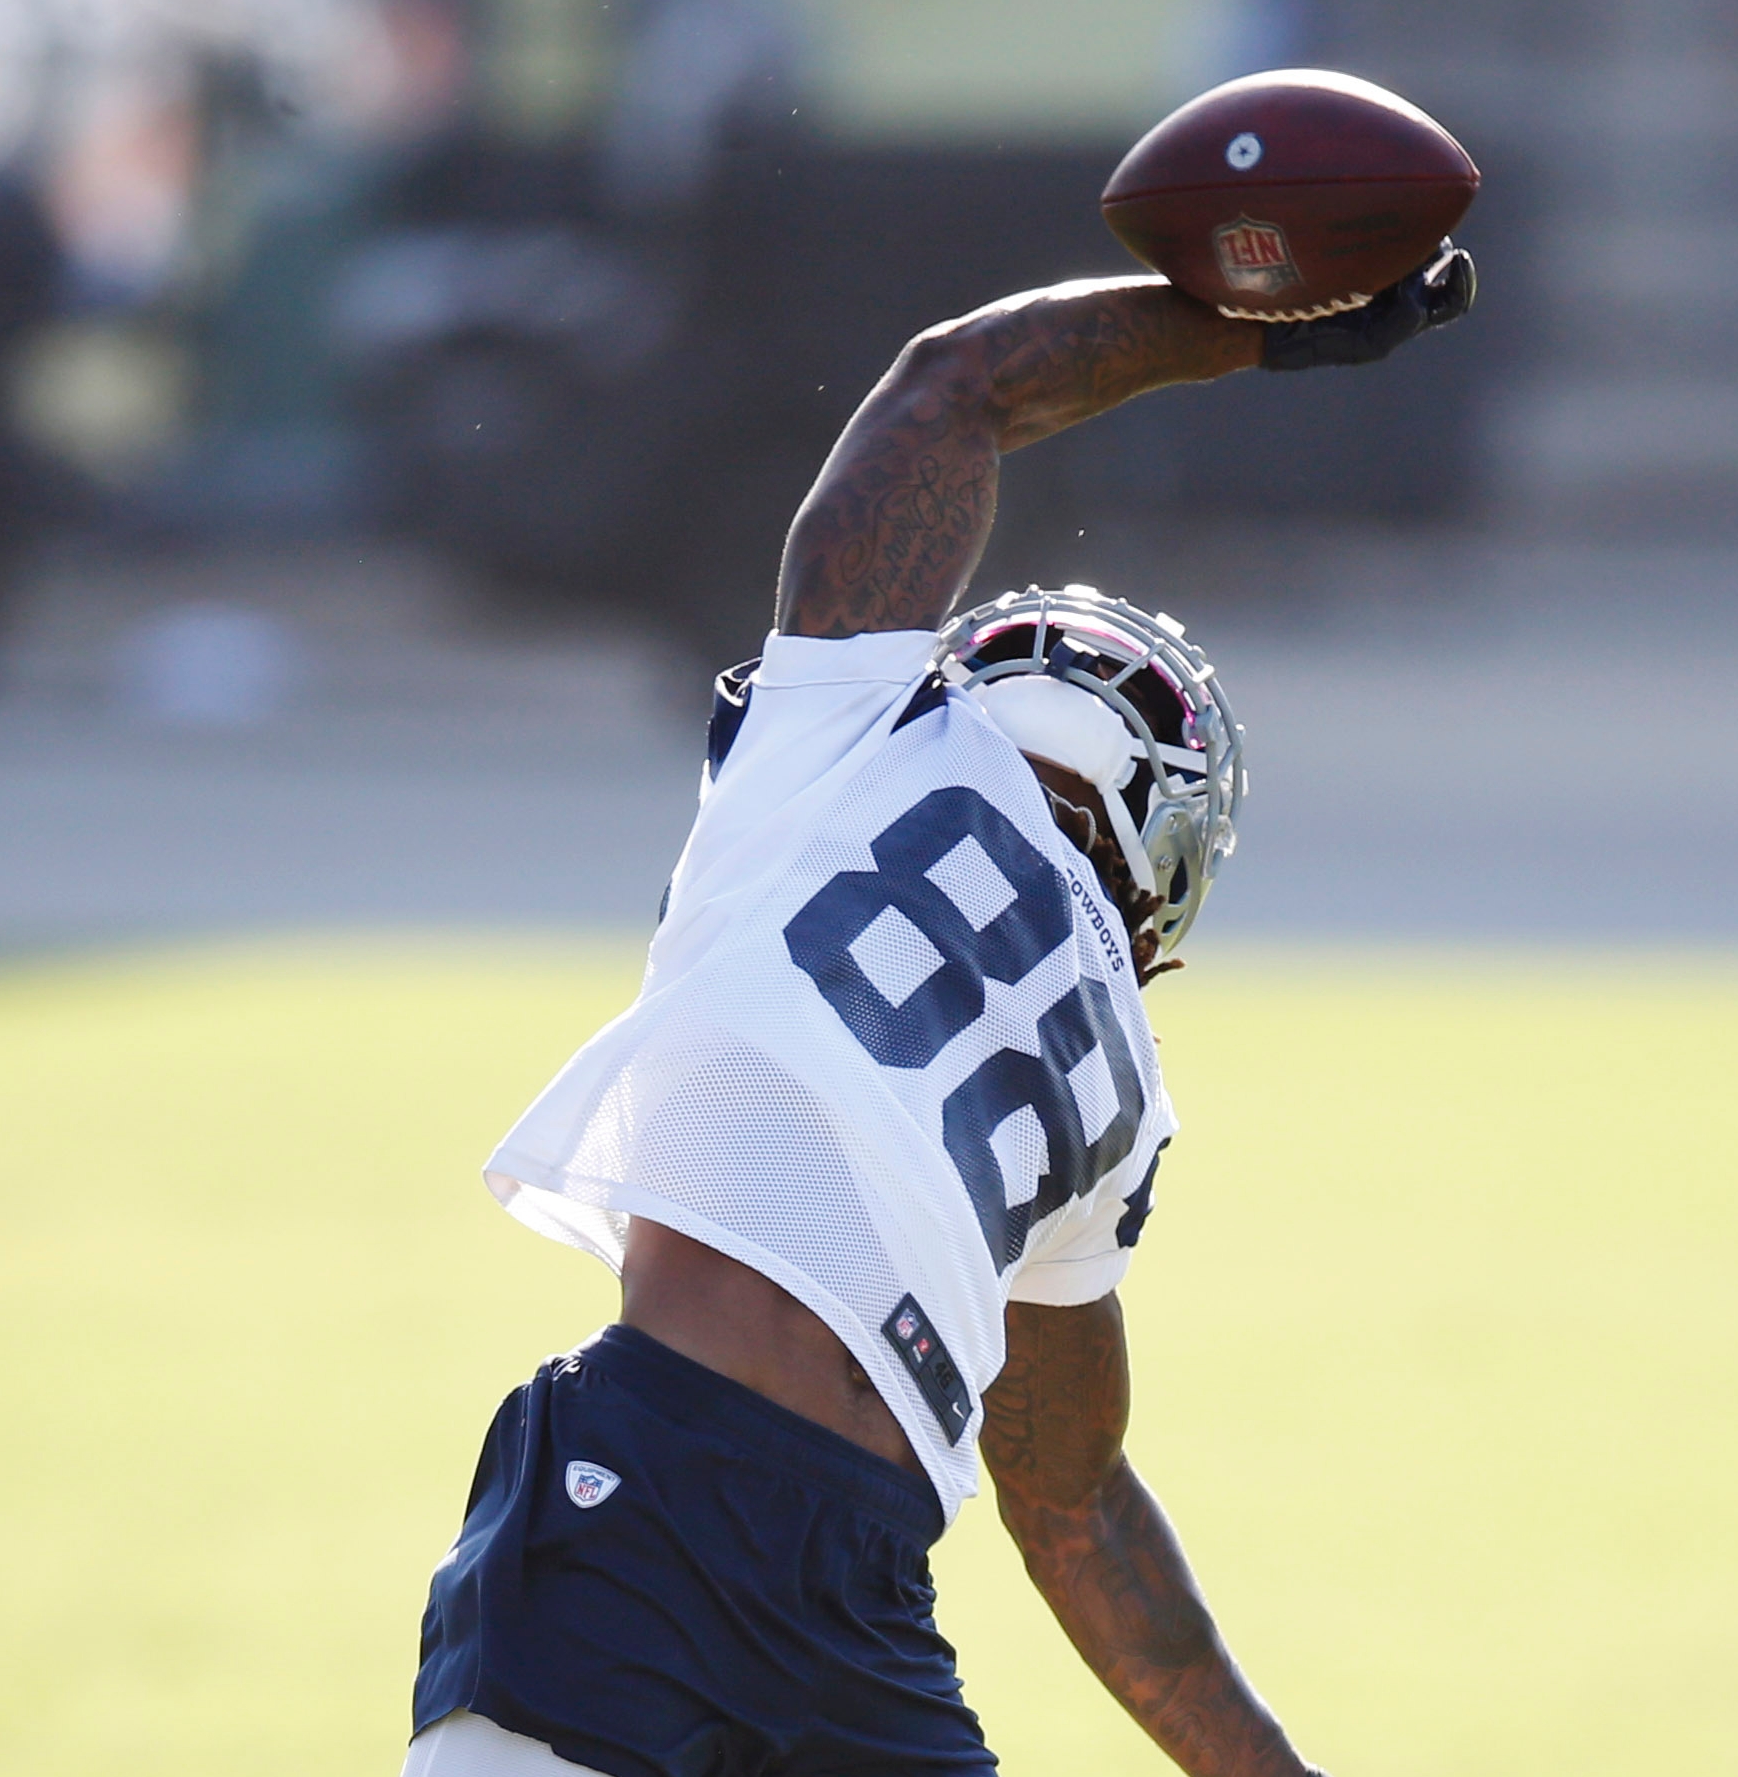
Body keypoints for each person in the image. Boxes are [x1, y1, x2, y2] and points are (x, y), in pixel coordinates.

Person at [401, 244, 1477, 1777]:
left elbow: (954, 386)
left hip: (690, 1513)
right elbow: (1076, 1507)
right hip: (792, 1561)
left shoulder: (847, 735)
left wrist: (1244, 336)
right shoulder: (1111, 1074)